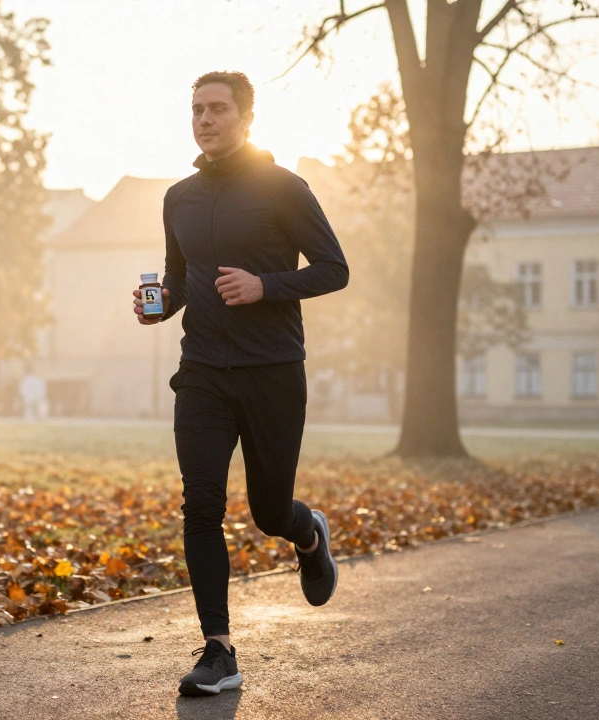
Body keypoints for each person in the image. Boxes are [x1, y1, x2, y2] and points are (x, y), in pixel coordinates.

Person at [131, 71, 349, 697]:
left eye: (218, 109)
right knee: (200, 503)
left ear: (246, 119)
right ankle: (219, 651)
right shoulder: (179, 197)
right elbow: (180, 277)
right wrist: (160, 304)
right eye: (196, 109)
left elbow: (335, 269)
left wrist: (265, 286)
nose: (205, 118)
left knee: (268, 511)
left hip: (273, 370)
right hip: (201, 371)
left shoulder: (284, 188)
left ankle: (309, 534)